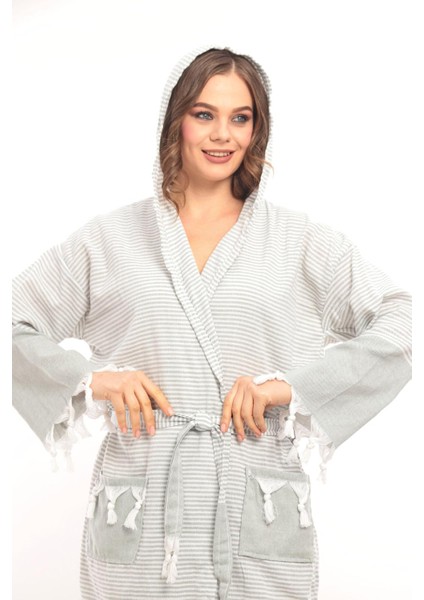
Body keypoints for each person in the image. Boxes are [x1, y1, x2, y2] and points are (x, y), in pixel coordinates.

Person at [12, 44, 412, 600]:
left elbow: (399, 326)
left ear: (257, 130)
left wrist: (289, 389)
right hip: (144, 504)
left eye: (240, 118)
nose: (223, 134)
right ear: (174, 120)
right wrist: (95, 380)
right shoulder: (110, 240)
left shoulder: (300, 241)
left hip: (258, 500)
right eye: (205, 114)